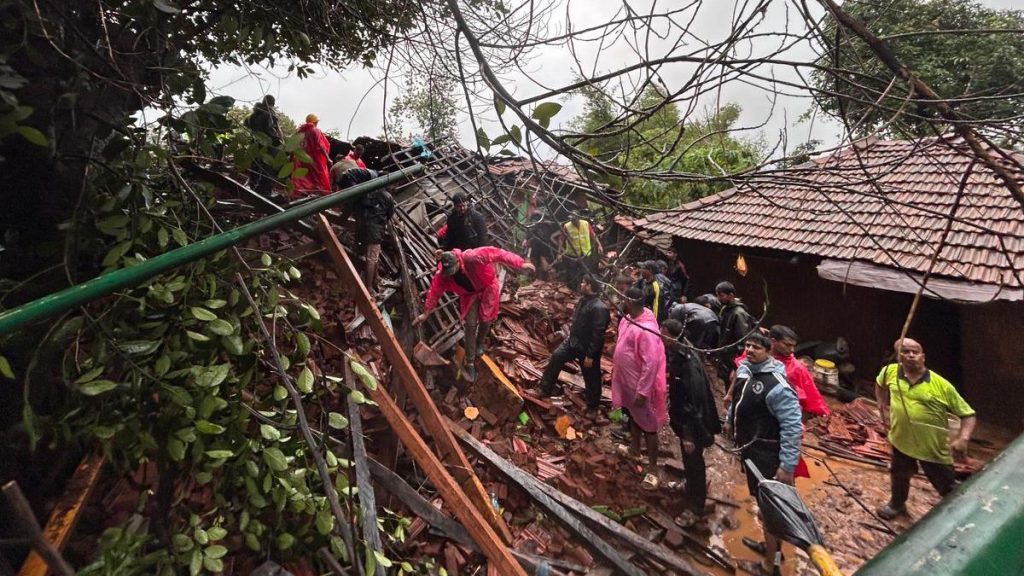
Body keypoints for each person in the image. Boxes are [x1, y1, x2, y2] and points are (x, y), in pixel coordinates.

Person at [725, 332, 802, 576]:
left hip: (768, 456)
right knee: (764, 505)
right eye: (747, 345)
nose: (750, 350)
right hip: (751, 451)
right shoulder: (747, 371)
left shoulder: (777, 385)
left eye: (756, 347)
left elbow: (792, 427)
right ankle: (769, 548)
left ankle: (772, 565)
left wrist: (787, 466)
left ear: (768, 351)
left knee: (772, 512)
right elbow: (739, 401)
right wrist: (730, 421)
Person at [874, 338, 976, 520]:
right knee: (899, 475)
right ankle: (897, 505)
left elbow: (968, 415)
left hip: (932, 449)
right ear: (898, 357)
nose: (911, 355)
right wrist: (881, 402)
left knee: (947, 486)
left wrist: (963, 439)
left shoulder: (941, 385)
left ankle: (959, 517)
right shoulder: (890, 372)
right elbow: (880, 384)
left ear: (923, 357)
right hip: (901, 441)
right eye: (905, 352)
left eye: (915, 352)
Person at [413, 248, 535, 381]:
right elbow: (434, 292)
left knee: (486, 319)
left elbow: (497, 253)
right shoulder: (443, 275)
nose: (451, 274)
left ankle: (479, 343)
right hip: (469, 295)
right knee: (470, 325)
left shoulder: (473, 257)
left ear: (458, 261)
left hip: (488, 287)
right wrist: (425, 313)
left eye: (453, 270)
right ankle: (470, 361)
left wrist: (520, 263)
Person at [662, 319, 721, 527]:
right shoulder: (682, 350)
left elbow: (692, 402)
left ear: (672, 335)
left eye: (664, 333)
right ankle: (688, 485)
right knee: (690, 461)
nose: (661, 336)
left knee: (695, 462)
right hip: (686, 420)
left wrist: (688, 434)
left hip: (694, 425)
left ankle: (696, 508)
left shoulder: (688, 364)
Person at [611, 287, 667, 485]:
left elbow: (650, 363)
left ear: (630, 301)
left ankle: (652, 469)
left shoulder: (647, 329)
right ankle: (635, 450)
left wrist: (643, 391)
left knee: (649, 427)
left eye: (622, 298)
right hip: (626, 381)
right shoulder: (628, 318)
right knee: (633, 417)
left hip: (639, 386)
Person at [537, 275, 611, 420]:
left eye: (584, 282)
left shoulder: (599, 308)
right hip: (573, 342)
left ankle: (592, 407)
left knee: (592, 377)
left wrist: (590, 355)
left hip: (587, 349)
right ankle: (544, 389)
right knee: (557, 357)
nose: (581, 284)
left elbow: (598, 334)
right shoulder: (583, 300)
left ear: (590, 286)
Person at [352, 186, 395, 294]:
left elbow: (356, 209)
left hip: (362, 229)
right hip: (375, 231)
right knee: (372, 259)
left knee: (373, 256)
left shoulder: (367, 192)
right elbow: (390, 214)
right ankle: (369, 287)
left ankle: (376, 279)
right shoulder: (388, 197)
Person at [715, 281, 755, 383]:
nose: (718, 298)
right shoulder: (725, 309)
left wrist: (736, 366)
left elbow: (743, 340)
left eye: (721, 295)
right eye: (718, 295)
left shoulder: (738, 313)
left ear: (731, 295)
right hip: (726, 356)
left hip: (733, 359)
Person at [245, 95, 284, 196]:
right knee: (269, 167)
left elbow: (247, 125)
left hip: (255, 143)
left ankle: (253, 187)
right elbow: (271, 130)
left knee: (256, 165)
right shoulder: (269, 114)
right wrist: (279, 141)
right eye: (273, 101)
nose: (274, 104)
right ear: (271, 102)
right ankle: (265, 191)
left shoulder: (253, 115)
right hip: (268, 144)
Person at [557, 211, 602, 288]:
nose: (572, 221)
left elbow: (593, 235)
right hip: (572, 254)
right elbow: (561, 239)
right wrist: (558, 253)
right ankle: (573, 290)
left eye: (574, 219)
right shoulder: (567, 226)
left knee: (585, 272)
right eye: (571, 219)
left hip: (585, 253)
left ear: (578, 218)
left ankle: (583, 288)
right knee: (572, 272)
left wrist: (599, 245)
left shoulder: (586, 224)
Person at [291, 114, 331, 197]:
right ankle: (318, 196)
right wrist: (328, 158)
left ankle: (302, 193)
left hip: (302, 159)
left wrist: (291, 157)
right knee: (318, 178)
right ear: (315, 122)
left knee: (304, 177)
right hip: (314, 160)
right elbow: (320, 145)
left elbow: (293, 144)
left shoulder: (300, 131)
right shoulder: (315, 130)